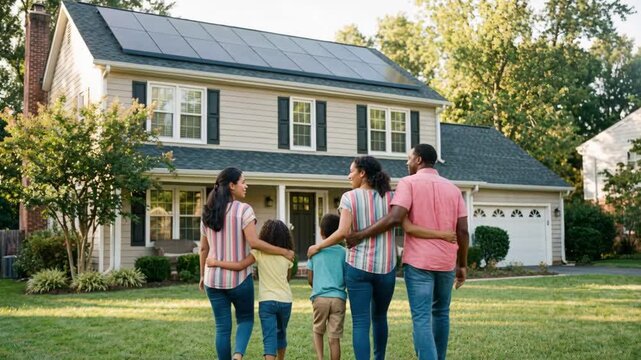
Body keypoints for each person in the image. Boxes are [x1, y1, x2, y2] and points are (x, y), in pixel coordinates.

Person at [307, 156, 456, 360]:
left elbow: (343, 232)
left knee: (360, 322)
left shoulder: (349, 197)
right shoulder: (391, 197)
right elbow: (406, 225)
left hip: (358, 267)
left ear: (362, 173)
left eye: (351, 171)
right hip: (385, 269)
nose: (348, 175)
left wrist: (317, 246)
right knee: (379, 317)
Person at [346, 144, 469, 360]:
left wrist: (360, 235)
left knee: (421, 317)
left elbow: (394, 218)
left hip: (419, 264)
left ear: (419, 159)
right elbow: (463, 231)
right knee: (441, 314)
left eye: (409, 158)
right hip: (446, 262)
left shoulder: (408, 183)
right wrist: (462, 265)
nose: (407, 162)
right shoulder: (453, 189)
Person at [199, 167, 294, 360]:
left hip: (213, 279)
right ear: (232, 186)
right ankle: (238, 355)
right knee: (245, 320)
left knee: (222, 328)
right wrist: (283, 250)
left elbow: (203, 249)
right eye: (243, 182)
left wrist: (202, 275)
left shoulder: (207, 213)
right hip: (239, 279)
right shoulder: (243, 210)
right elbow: (254, 242)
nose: (246, 185)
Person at [208, 219, 295, 360]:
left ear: (264, 236)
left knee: (269, 337)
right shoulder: (288, 255)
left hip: (267, 302)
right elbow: (287, 278)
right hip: (286, 301)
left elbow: (240, 265)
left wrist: (215, 262)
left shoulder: (258, 252)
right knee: (281, 333)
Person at [307, 213, 346, 360]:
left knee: (318, 331)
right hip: (338, 298)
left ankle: (320, 358)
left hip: (320, 298)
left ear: (322, 232)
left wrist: (317, 286)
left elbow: (310, 279)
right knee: (334, 338)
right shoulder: (344, 253)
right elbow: (347, 276)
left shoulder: (315, 251)